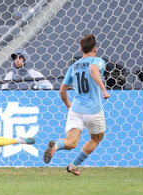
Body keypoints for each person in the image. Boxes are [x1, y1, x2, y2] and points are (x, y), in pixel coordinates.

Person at [43, 34, 110, 175]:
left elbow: (62, 90)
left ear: (81, 49)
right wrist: (104, 90)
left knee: (71, 142)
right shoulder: (98, 61)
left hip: (75, 109)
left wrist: (68, 104)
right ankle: (74, 164)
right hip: (93, 110)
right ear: (95, 49)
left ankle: (56, 145)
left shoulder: (73, 66)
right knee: (96, 138)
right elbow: (93, 70)